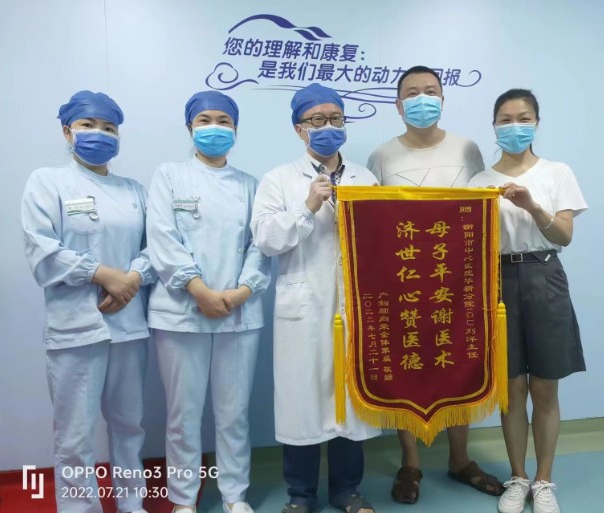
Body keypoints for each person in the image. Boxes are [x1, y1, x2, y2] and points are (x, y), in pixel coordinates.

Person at [366, 65, 503, 504]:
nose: (421, 99)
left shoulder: (467, 149)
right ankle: (411, 463)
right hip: (404, 277)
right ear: (398, 104)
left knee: (459, 359)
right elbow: (373, 221)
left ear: (442, 99)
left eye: (430, 91)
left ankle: (460, 459)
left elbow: (481, 209)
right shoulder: (382, 156)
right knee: (407, 363)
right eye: (412, 93)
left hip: (458, 278)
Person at [21, 90, 154, 513]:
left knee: (129, 426)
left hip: (129, 326)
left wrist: (132, 279)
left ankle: (132, 504)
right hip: (75, 327)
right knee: (75, 435)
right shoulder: (47, 182)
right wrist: (103, 274)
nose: (99, 133)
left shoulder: (133, 190)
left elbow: (155, 249)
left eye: (109, 127)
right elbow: (42, 250)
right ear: (67, 132)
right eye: (88, 125)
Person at [250, 83, 381, 513]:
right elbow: (265, 239)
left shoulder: (365, 178)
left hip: (354, 305)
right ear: (298, 129)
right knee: (302, 399)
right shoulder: (279, 179)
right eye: (317, 120)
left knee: (350, 397)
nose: (328, 126)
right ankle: (300, 494)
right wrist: (306, 206)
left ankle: (347, 490)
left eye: (335, 118)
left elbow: (382, 239)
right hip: (304, 306)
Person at [146, 91, 270, 513]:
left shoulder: (249, 185)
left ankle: (235, 494)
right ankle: (183, 499)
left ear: (235, 129)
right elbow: (162, 238)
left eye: (223, 120)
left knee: (234, 413)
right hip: (181, 313)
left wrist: (242, 292)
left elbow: (259, 246)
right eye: (204, 120)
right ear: (190, 127)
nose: (214, 127)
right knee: (183, 414)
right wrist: (198, 290)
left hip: (238, 313)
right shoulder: (169, 176)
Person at [468, 89, 587, 513]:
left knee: (545, 386)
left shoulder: (556, 172)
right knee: (512, 387)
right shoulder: (479, 182)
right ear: (494, 125)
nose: (514, 126)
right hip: (497, 280)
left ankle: (544, 480)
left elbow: (564, 236)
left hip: (544, 273)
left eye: (523, 118)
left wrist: (532, 206)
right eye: (505, 119)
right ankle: (517, 478)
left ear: (536, 123)